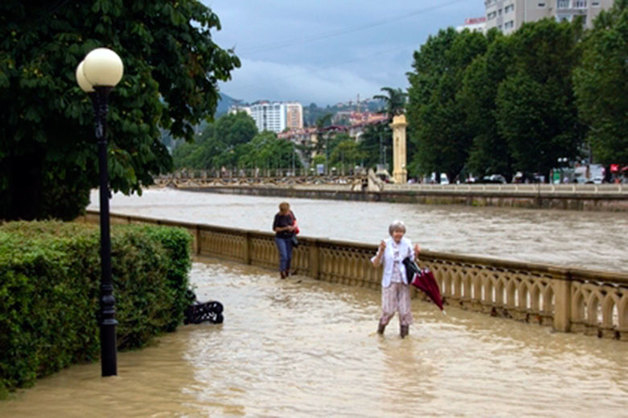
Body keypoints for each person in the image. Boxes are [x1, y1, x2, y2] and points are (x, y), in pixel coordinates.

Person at [371, 220, 420, 338]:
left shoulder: (407, 243)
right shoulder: (385, 244)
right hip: (390, 281)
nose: (399, 234)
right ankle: (380, 332)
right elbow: (376, 264)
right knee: (389, 311)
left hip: (403, 281)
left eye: (401, 231)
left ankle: (404, 338)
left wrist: (417, 253)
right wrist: (381, 252)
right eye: (397, 231)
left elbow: (412, 261)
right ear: (392, 232)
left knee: (404, 311)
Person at [272, 201, 297, 279]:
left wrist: (293, 227)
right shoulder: (278, 216)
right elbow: (275, 229)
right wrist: (285, 228)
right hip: (280, 238)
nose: (286, 213)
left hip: (289, 237)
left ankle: (287, 271)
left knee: (289, 256)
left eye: (287, 211)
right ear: (281, 211)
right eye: (285, 212)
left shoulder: (291, 213)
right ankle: (282, 272)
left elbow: (295, 222)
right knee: (284, 255)